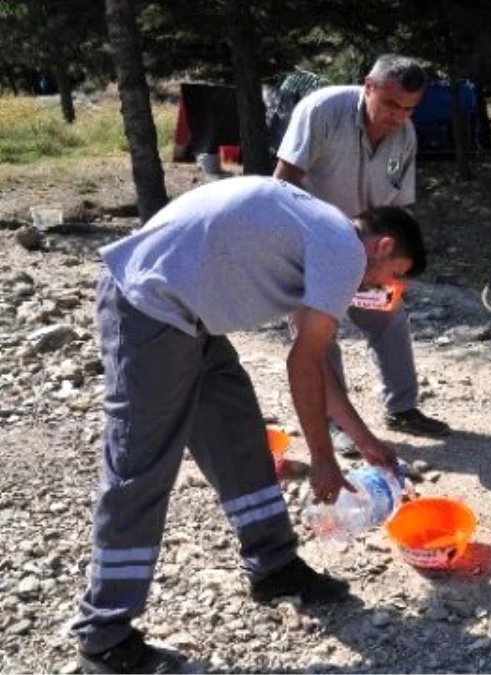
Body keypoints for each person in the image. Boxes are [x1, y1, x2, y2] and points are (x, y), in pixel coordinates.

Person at [71, 176, 426, 674]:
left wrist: (364, 441)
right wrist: (323, 459)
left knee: (238, 437)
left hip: (190, 318)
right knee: (140, 467)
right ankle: (103, 635)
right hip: (148, 306)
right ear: (384, 244)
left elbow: (314, 362)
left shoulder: (320, 231)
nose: (380, 286)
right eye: (392, 273)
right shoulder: (343, 250)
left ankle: (273, 565)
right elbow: (302, 362)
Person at [274, 53, 449, 445]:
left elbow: (397, 207)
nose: (399, 117)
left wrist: (393, 266)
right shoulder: (322, 110)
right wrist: (313, 246)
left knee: (390, 315)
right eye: (391, 104)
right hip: (312, 243)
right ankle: (336, 424)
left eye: (409, 109)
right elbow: (283, 184)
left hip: (371, 249)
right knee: (318, 334)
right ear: (368, 86)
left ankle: (402, 408)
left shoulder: (405, 135)